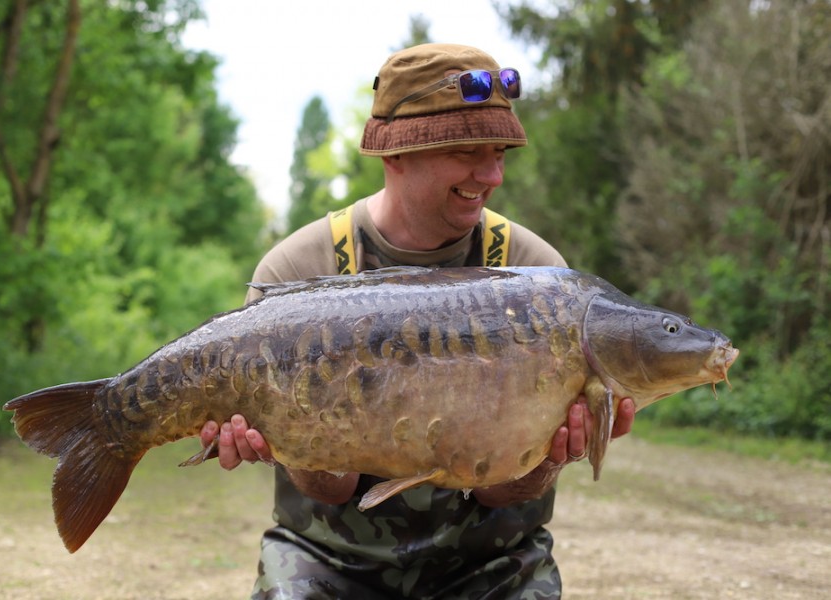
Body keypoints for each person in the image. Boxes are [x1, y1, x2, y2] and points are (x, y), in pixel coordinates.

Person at [200, 43, 635, 599]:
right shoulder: (297, 271)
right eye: (467, 151)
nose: (492, 174)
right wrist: (284, 443)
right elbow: (331, 491)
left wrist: (551, 458)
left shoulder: (535, 277)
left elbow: (507, 497)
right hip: (330, 559)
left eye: (500, 150)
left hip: (492, 564)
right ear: (396, 154)